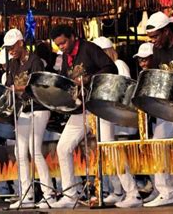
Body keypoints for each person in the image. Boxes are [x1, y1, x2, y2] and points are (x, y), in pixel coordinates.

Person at [49, 24, 118, 208]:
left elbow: (111, 68)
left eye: (63, 43)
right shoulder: (65, 57)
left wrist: (87, 79)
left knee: (108, 148)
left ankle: (129, 192)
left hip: (100, 105)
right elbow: (65, 80)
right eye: (58, 45)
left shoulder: (89, 48)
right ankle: (70, 195)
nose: (61, 47)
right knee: (63, 147)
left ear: (72, 37)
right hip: (81, 109)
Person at [0, 29, 53, 209]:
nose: (10, 51)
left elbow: (39, 85)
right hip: (24, 109)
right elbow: (9, 86)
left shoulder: (35, 61)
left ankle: (49, 195)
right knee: (19, 152)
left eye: (13, 47)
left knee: (34, 150)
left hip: (39, 108)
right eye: (8, 48)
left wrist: (19, 88)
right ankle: (26, 195)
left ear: (21, 43)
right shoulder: (12, 64)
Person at [143, 11, 173, 207]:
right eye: (150, 38)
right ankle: (168, 191)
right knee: (158, 142)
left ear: (167, 31)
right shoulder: (159, 50)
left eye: (155, 37)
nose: (153, 42)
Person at [92, 37, 142, 208]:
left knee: (113, 152)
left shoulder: (119, 64)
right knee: (107, 152)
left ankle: (132, 192)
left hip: (116, 115)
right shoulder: (103, 67)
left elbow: (124, 89)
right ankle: (118, 191)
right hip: (105, 113)